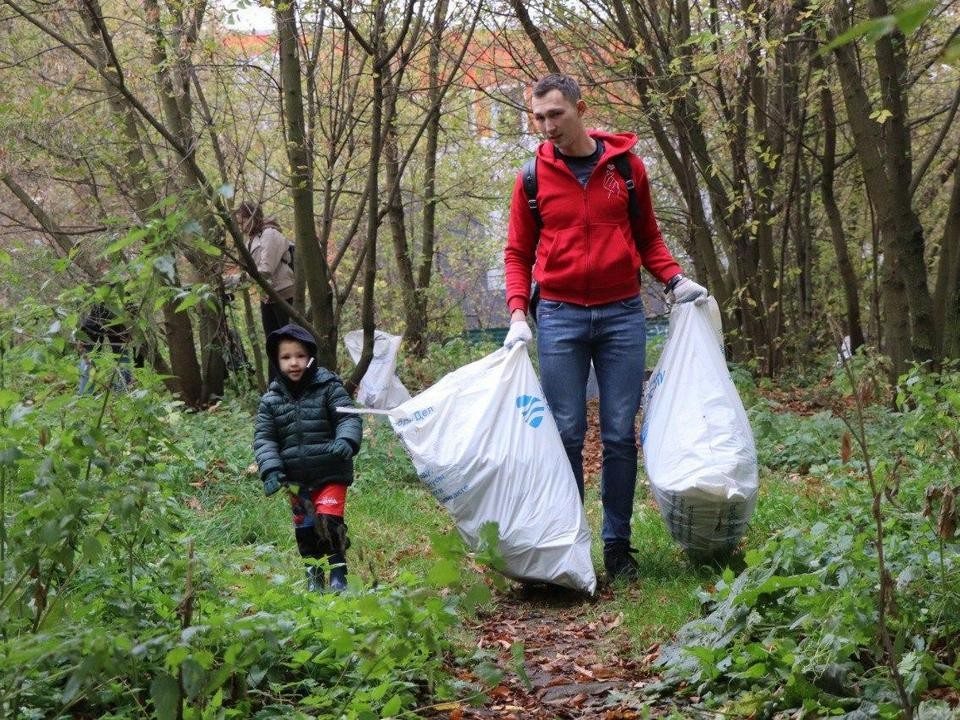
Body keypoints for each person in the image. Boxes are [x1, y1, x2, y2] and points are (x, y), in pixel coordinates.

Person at [502, 74, 708, 581]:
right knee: (566, 433)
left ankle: (617, 548)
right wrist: (516, 312)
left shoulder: (627, 169)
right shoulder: (531, 178)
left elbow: (648, 236)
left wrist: (675, 279)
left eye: (556, 114)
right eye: (539, 117)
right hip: (558, 315)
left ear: (579, 108)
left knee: (620, 435)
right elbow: (516, 253)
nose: (547, 125)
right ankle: (569, 544)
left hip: (621, 314)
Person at [253, 323, 363, 592]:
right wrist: (270, 470)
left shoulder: (329, 386)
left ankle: (338, 574)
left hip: (329, 471)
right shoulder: (271, 400)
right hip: (295, 479)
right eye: (286, 357)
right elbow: (265, 438)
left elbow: (347, 417)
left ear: (310, 356)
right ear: (277, 361)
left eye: (300, 356)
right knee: (306, 528)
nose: (294, 363)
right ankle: (313, 574)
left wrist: (346, 440)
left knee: (329, 521)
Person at [234, 201, 295, 381]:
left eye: (243, 220)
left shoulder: (270, 234)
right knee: (273, 344)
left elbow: (265, 270)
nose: (242, 226)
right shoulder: (251, 240)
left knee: (287, 344)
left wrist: (238, 279)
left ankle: (292, 386)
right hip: (267, 297)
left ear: (252, 216)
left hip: (284, 294)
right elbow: (250, 271)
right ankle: (275, 389)